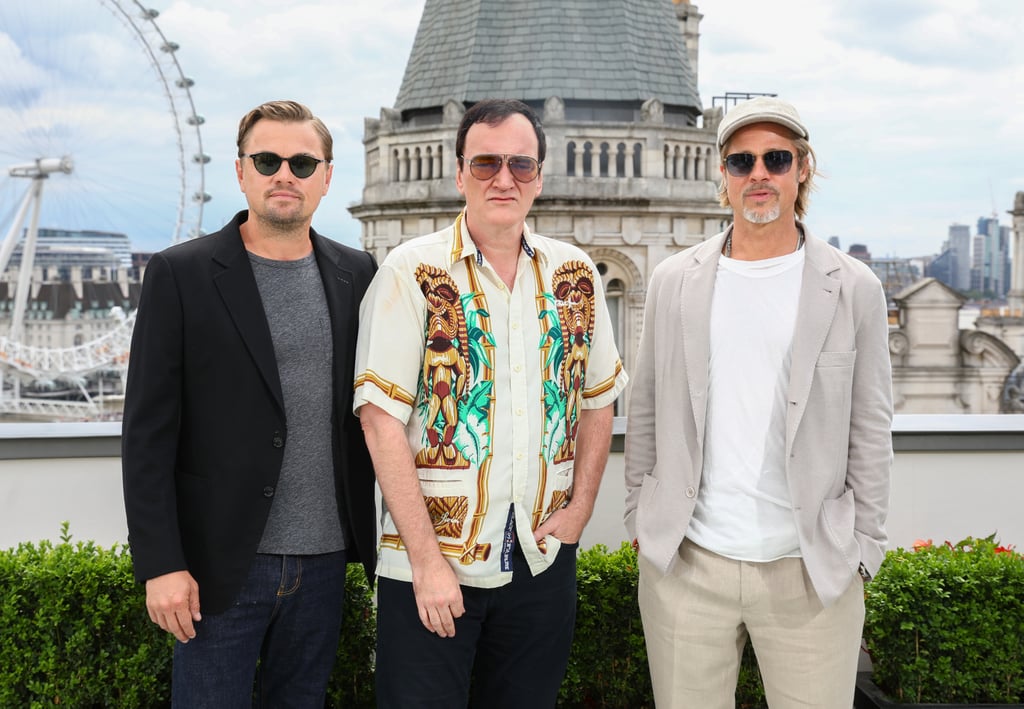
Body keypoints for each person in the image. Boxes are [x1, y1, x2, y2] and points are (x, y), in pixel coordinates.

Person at [354, 98, 628, 708]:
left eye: (520, 164)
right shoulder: (410, 271)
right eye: (485, 164)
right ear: (459, 174)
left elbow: (598, 399)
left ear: (539, 176)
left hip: (540, 559)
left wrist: (581, 507)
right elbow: (380, 422)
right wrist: (426, 563)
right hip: (433, 568)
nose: (504, 178)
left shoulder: (576, 275)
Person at [624, 96, 893, 708]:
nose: (759, 174)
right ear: (723, 176)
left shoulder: (854, 287)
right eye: (741, 162)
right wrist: (643, 516)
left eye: (776, 158)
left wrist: (862, 549)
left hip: (809, 570)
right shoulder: (674, 280)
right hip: (688, 565)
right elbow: (646, 407)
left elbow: (871, 427)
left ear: (802, 169)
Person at [121, 99, 377, 707]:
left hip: (326, 563)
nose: (284, 174)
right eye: (266, 160)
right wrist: (161, 565)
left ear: (327, 177)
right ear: (241, 171)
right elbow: (147, 437)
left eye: (301, 162)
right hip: (218, 568)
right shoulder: (179, 274)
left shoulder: (358, 273)